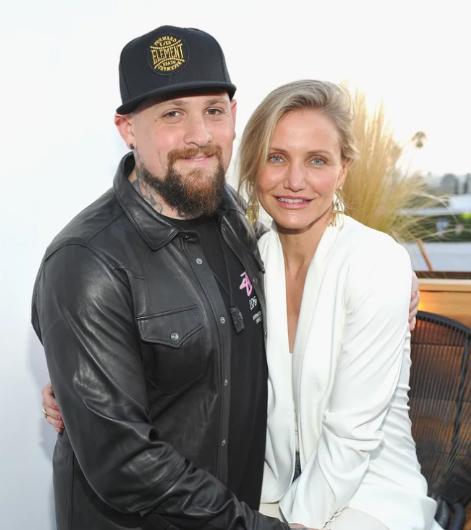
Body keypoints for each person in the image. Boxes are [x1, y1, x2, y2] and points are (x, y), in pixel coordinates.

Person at [32, 25, 295, 530]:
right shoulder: (85, 262)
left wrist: (379, 267)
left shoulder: (234, 215)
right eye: (173, 114)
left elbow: (297, 259)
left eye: (213, 111)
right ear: (128, 128)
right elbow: (126, 463)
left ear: (233, 115)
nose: (200, 136)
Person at [237, 79, 441, 530]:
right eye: (276, 157)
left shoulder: (375, 262)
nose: (295, 181)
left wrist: (296, 524)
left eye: (317, 160)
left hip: (371, 494)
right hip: (273, 492)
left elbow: (351, 437)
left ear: (342, 169)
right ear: (254, 164)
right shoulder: (249, 261)